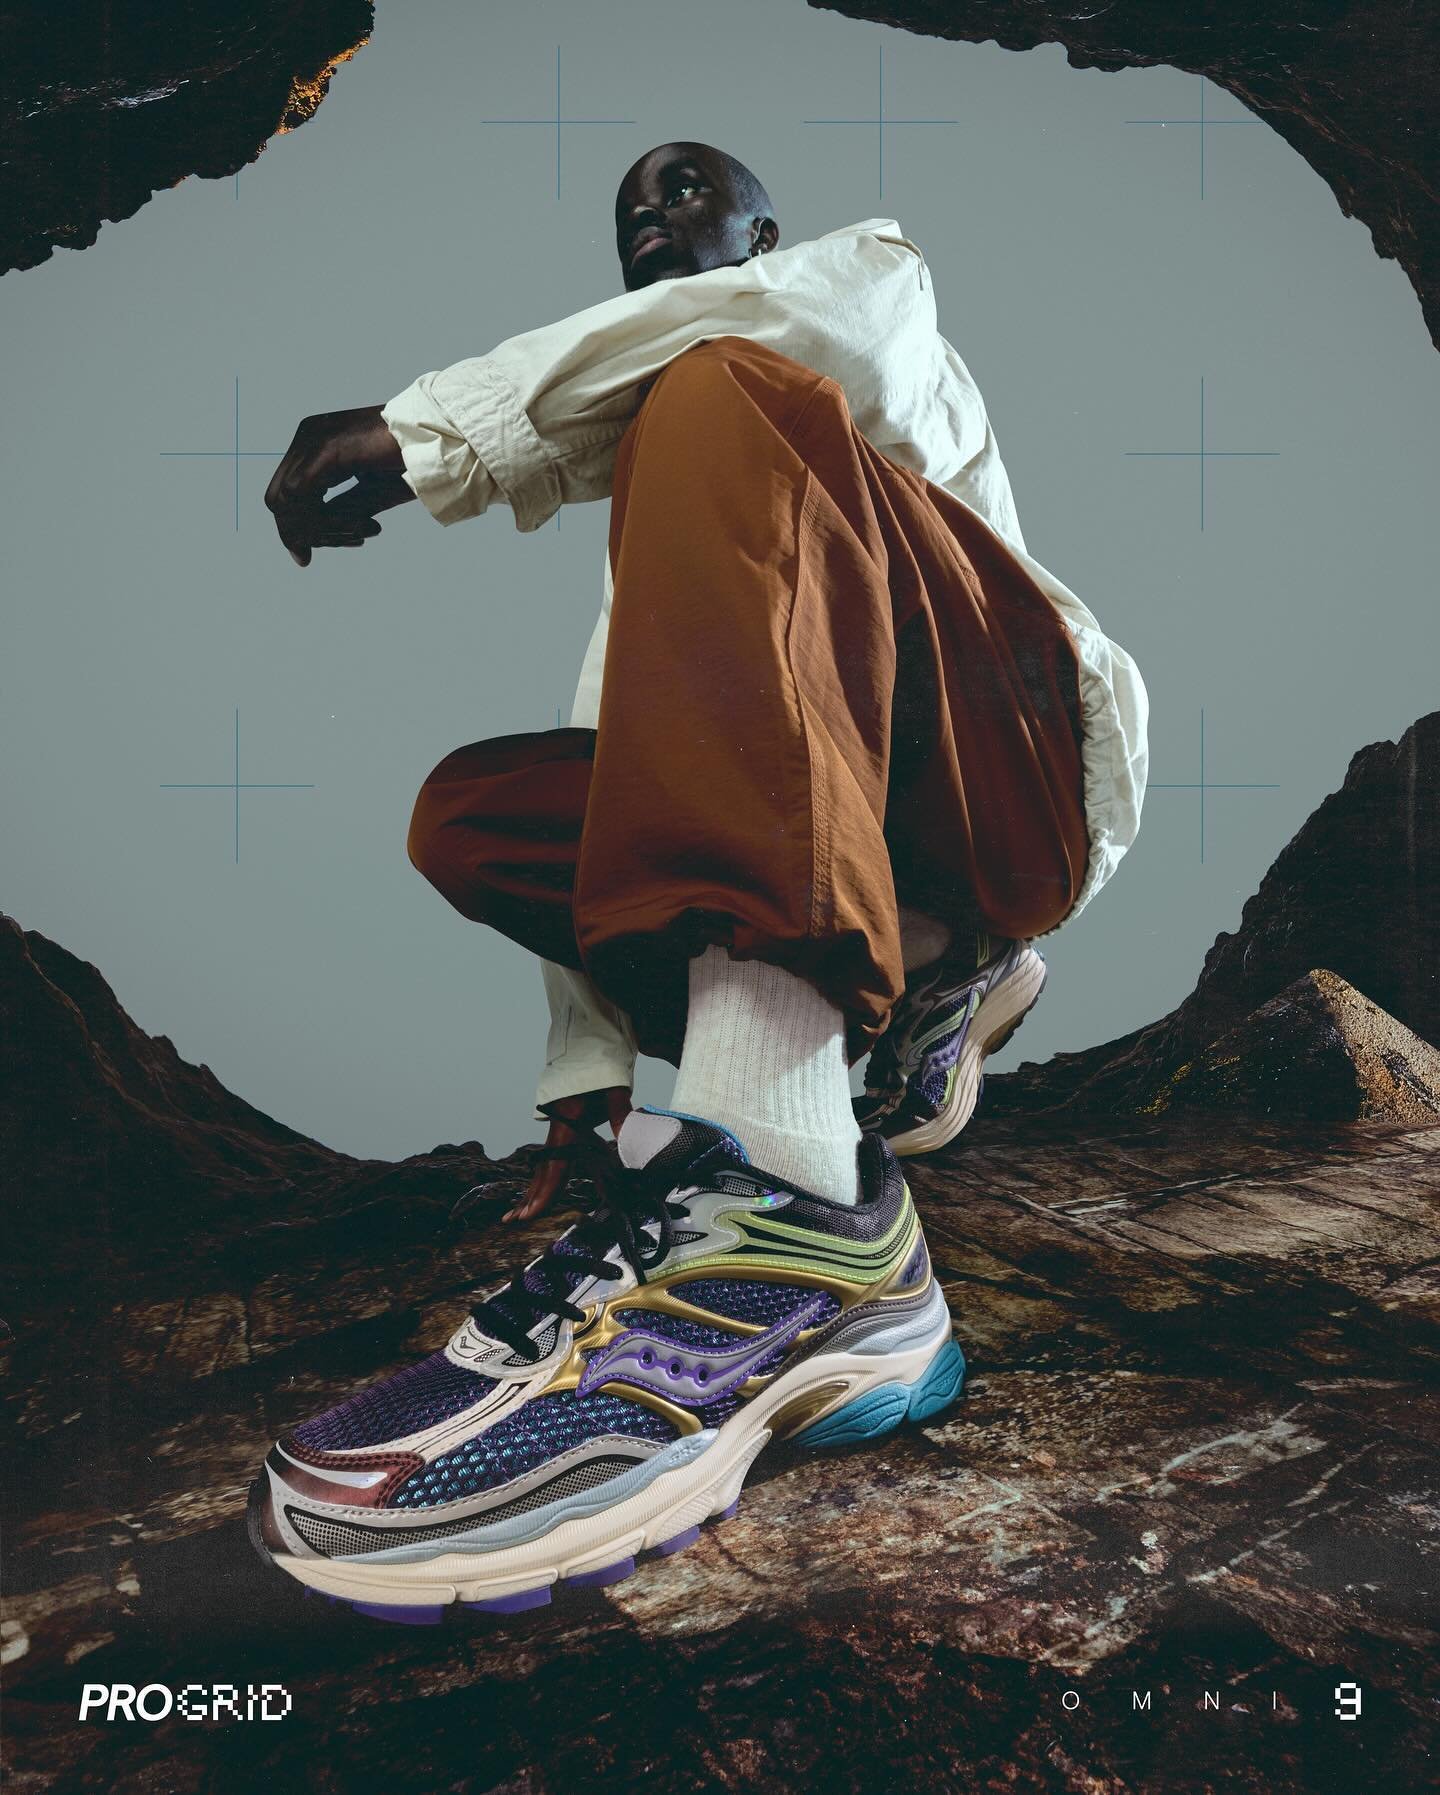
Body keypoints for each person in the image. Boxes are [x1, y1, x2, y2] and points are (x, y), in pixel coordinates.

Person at [249, 143, 1147, 1620]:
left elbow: (805, 330)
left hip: (1012, 781)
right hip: (841, 843)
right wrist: (592, 1068)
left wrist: (425, 434)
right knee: (473, 813)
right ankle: (880, 1111)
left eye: (684, 196)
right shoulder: (685, 537)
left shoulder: (859, 293)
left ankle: (788, 1198)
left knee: (720, 389)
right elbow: (657, 785)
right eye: (629, 218)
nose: (652, 223)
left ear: (765, 228)